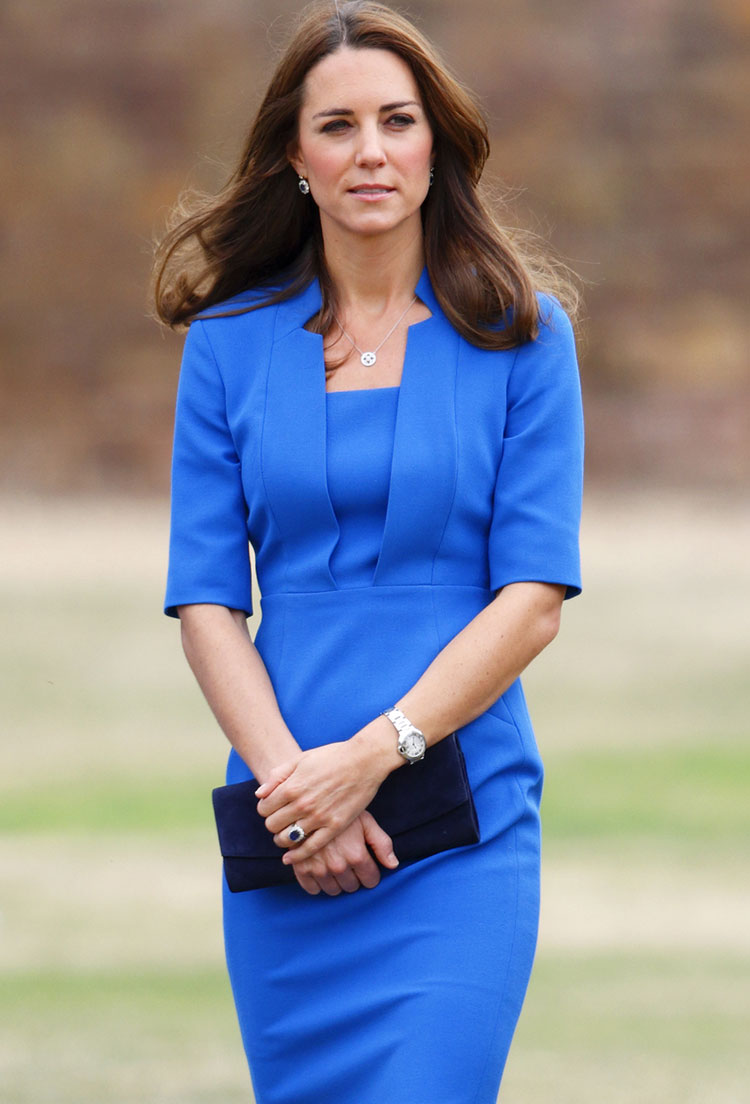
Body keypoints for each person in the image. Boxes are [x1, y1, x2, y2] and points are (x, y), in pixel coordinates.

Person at [154, 1, 583, 1101]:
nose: (372, 151)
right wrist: (300, 792)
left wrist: (378, 755)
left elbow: (534, 596)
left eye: (397, 120)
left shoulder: (523, 334)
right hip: (289, 830)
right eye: (337, 125)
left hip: (458, 825)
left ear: (436, 142)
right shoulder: (227, 345)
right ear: (295, 157)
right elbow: (206, 599)